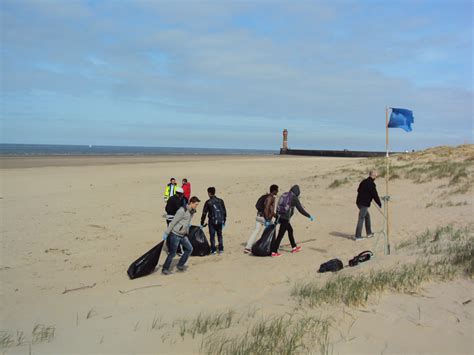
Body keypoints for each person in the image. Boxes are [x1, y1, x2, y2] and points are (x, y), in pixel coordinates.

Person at [270, 185, 314, 257]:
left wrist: (277, 217)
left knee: (290, 230)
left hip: (280, 216)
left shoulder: (285, 194)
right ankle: (274, 252)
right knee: (280, 235)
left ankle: (294, 247)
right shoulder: (294, 198)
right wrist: (309, 216)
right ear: (297, 192)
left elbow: (278, 205)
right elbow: (300, 209)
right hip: (285, 218)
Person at [161, 196, 201, 275]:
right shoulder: (182, 211)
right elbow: (173, 222)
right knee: (172, 253)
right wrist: (167, 232)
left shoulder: (192, 211)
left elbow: (186, 222)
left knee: (189, 249)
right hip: (175, 234)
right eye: (196, 204)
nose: (197, 206)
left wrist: (188, 228)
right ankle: (165, 268)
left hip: (183, 235)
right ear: (191, 203)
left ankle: (180, 265)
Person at [244, 184, 279, 254]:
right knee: (272, 230)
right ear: (274, 190)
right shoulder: (270, 198)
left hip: (258, 216)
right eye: (277, 190)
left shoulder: (266, 196)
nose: (278, 191)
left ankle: (247, 247)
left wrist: (276, 216)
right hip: (264, 218)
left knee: (256, 231)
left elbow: (270, 211)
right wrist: (267, 220)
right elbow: (266, 209)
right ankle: (272, 249)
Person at [354, 171, 382, 241]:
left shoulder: (364, 181)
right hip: (364, 204)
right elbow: (375, 195)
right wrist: (379, 203)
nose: (376, 177)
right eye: (376, 176)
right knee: (361, 218)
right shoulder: (371, 184)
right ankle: (357, 236)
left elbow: (359, 190)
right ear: (373, 176)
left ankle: (369, 233)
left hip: (359, 202)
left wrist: (367, 194)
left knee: (367, 217)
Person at [200, 187, 227, 254]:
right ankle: (221, 249)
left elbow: (204, 213)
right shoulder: (220, 201)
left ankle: (213, 249)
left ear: (209, 193)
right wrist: (224, 220)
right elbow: (224, 211)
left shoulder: (208, 202)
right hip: (220, 220)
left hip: (212, 221)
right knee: (219, 235)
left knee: (212, 235)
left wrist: (202, 222)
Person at [165, 187, 185, 255]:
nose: (182, 196)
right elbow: (179, 210)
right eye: (182, 194)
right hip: (173, 219)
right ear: (179, 194)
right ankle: (178, 251)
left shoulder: (170, 198)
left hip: (168, 218)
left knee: (169, 233)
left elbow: (166, 208)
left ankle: (169, 249)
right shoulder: (176, 200)